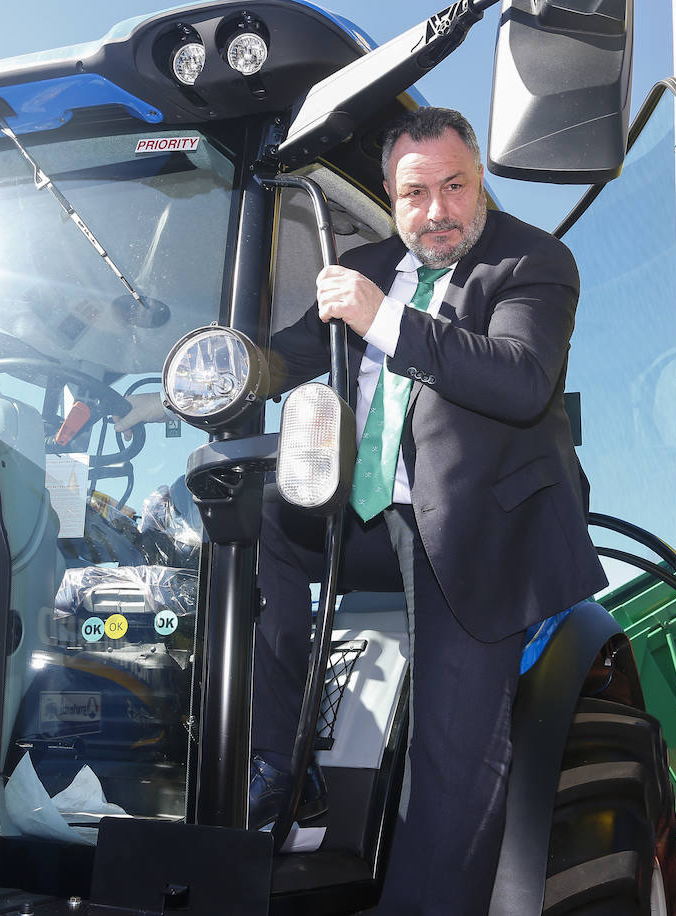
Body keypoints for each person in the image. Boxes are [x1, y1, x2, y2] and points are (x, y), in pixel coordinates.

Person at [251, 106, 606, 913]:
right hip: (366, 515)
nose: (437, 209)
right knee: (261, 513)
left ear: (480, 181)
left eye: (455, 186)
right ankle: (282, 765)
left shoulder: (532, 260)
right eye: (417, 192)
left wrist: (383, 317)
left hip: (476, 527)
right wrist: (216, 374)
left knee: (454, 753)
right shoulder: (368, 261)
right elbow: (288, 359)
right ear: (390, 193)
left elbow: (519, 379)